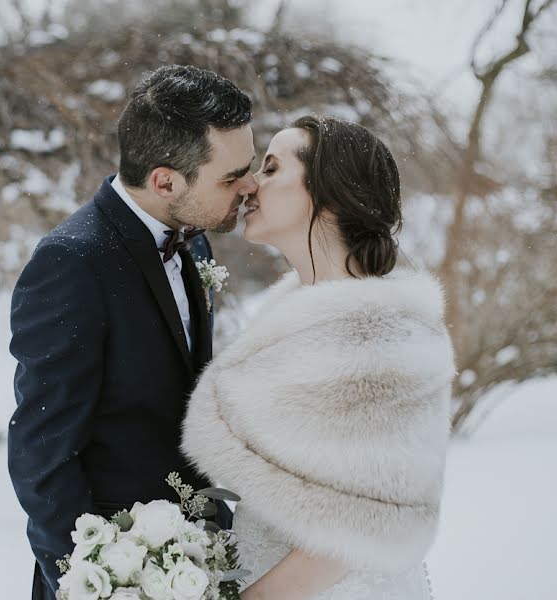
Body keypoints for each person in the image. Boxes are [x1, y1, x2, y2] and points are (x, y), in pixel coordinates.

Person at [7, 64, 259, 600]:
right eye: (232, 176)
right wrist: (92, 582)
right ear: (166, 180)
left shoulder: (194, 241)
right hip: (115, 574)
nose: (251, 186)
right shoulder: (71, 263)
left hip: (195, 564)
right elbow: (42, 456)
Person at [182, 116, 455, 599]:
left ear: (329, 195)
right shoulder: (300, 316)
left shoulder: (379, 333)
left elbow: (363, 526)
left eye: (270, 169)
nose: (249, 186)